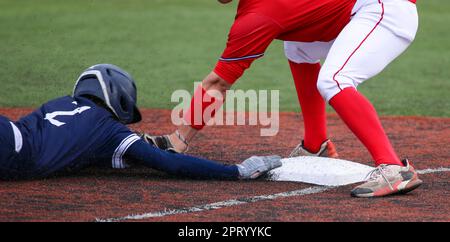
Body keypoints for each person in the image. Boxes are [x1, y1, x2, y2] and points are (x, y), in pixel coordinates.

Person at [148, 0, 422, 197]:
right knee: (299, 48)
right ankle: (316, 145)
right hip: (358, 11)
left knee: (334, 80)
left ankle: (393, 168)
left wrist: (177, 140)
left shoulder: (259, 15)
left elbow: (218, 83)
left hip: (384, 10)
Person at [0, 64, 281, 180]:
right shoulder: (108, 129)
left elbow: (68, 147)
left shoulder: (59, 103)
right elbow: (170, 163)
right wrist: (236, 171)